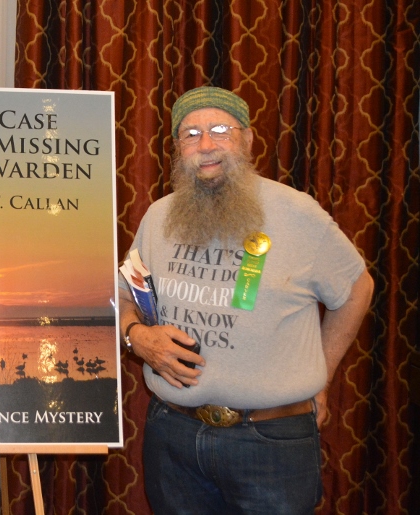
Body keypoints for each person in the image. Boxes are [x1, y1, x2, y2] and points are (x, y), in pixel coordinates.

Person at [119, 86, 373, 514]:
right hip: (173, 436)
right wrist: (136, 337)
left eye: (220, 129)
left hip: (271, 442)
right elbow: (126, 292)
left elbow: (357, 290)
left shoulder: (298, 213)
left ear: (248, 139)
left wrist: (322, 375)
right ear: (177, 148)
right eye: (190, 134)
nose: (205, 146)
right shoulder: (159, 215)